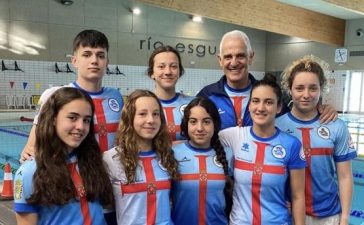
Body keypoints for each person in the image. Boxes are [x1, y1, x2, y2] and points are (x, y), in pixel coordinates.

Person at [197, 30, 337, 130]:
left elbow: (294, 118)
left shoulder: (269, 93)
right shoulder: (206, 95)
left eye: (240, 56)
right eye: (228, 57)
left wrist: (321, 109)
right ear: (220, 60)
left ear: (250, 57)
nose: (234, 63)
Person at [13, 87, 114, 225]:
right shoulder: (29, 171)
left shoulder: (92, 162)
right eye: (72, 118)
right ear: (53, 118)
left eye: (86, 120)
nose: (80, 126)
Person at [276, 55, 357, 225]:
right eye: (299, 88)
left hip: (329, 215)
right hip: (288, 214)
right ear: (290, 89)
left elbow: (344, 176)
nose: (306, 95)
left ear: (321, 89)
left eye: (313, 88)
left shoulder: (337, 127)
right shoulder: (277, 127)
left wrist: (344, 217)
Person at [21, 29, 123, 160]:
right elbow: (31, 149)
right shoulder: (56, 95)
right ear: (74, 61)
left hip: (111, 176)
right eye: (86, 55)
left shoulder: (116, 96)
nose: (94, 61)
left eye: (100, 55)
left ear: (107, 62)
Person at [219, 75, 306, 225]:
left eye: (268, 102)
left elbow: (298, 196)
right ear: (250, 106)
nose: (260, 108)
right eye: (255, 101)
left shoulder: (291, 145)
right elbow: (199, 138)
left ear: (279, 107)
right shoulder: (234, 135)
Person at [103, 89, 179, 225]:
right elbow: (106, 208)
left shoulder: (167, 156)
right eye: (142, 114)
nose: (150, 120)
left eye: (155, 114)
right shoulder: (111, 159)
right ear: (129, 118)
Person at [171, 97, 233, 225]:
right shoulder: (173, 154)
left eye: (206, 122)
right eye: (193, 122)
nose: (200, 128)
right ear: (186, 124)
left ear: (215, 124)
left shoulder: (228, 155)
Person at [147, 45, 193, 141]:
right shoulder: (141, 105)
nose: (168, 72)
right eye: (161, 66)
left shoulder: (193, 104)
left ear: (179, 72)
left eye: (173, 66)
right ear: (152, 73)